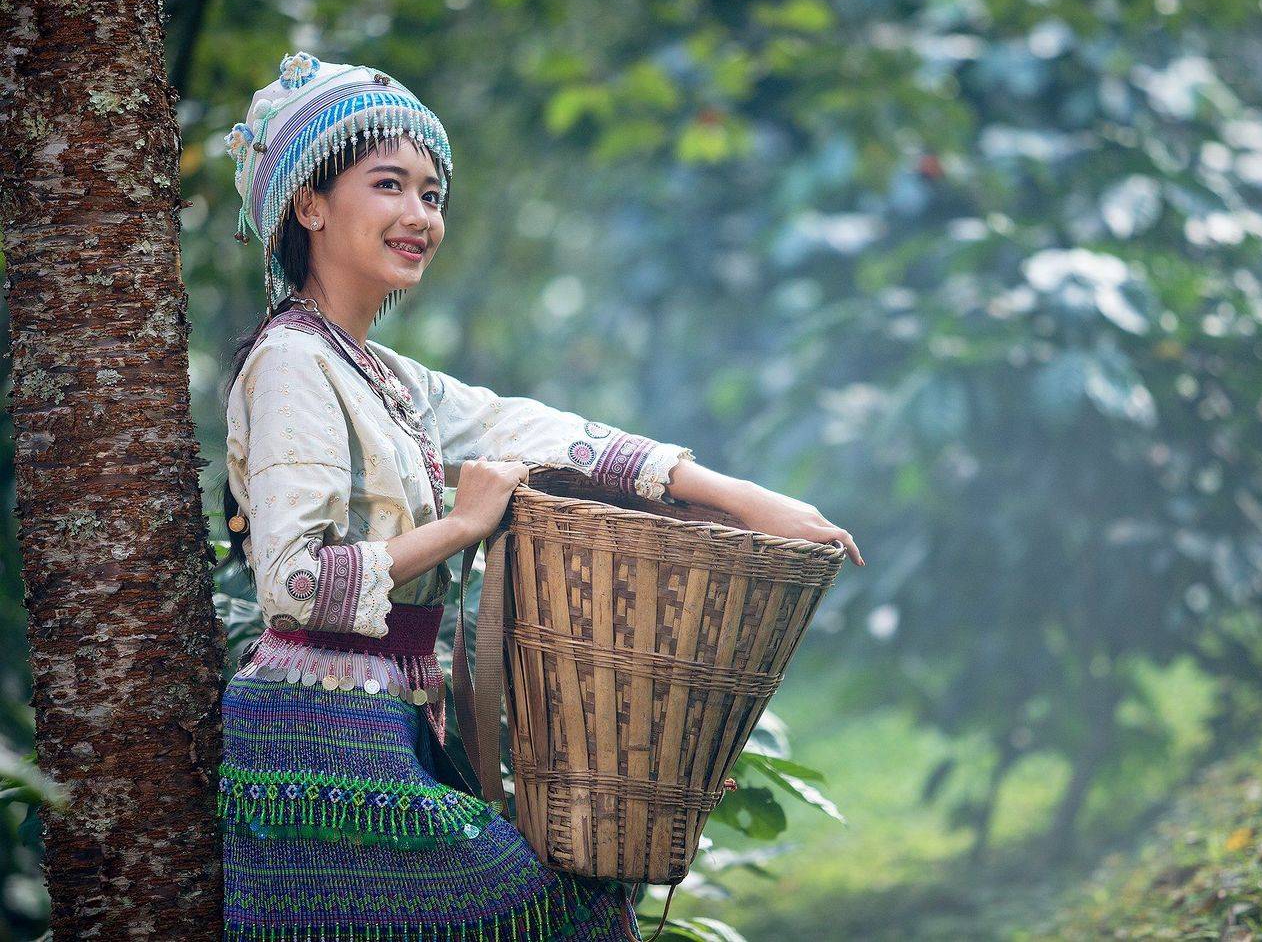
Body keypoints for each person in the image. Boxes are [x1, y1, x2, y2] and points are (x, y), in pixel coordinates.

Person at [215, 52, 863, 942]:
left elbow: (538, 430)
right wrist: (463, 524)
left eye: (433, 195)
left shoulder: (383, 376)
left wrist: (747, 499)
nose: (420, 216)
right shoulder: (293, 362)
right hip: (317, 738)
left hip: (384, 723)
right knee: (560, 914)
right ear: (310, 203)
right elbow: (291, 582)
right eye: (390, 185)